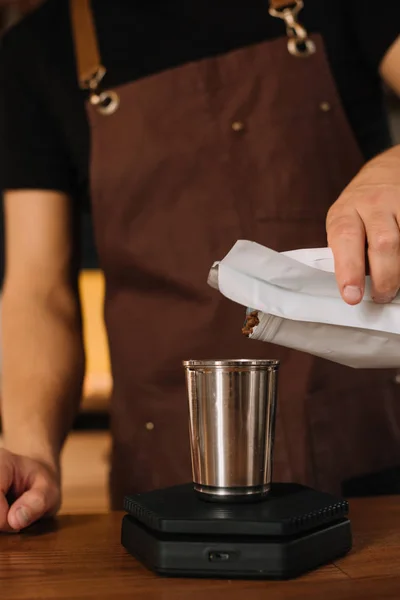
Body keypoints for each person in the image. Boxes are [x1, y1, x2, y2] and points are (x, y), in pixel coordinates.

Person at [0, 0, 400, 533]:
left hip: (367, 459)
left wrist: (392, 164)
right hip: (166, 480)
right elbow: (37, 292)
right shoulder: (37, 51)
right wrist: (30, 450)